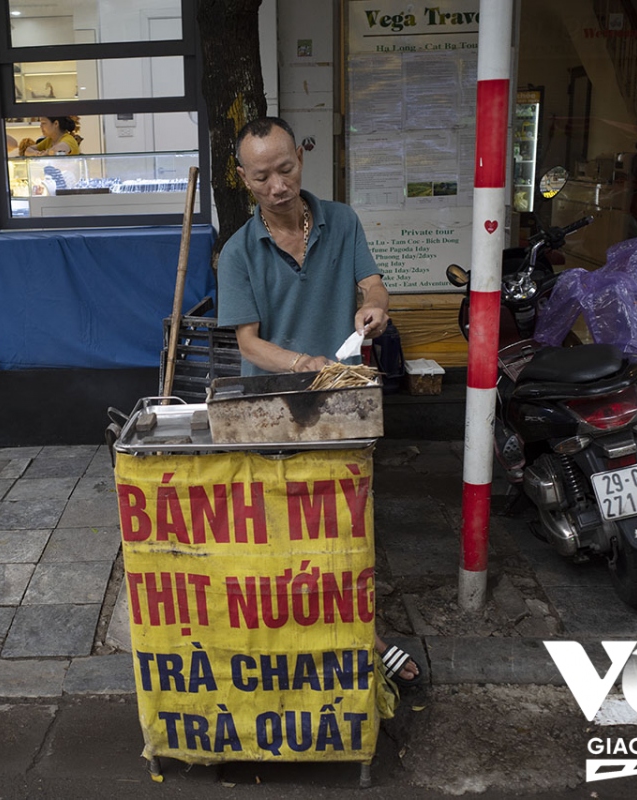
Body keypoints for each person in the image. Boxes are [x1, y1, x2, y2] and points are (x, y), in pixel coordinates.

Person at [216, 116, 419, 688]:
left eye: (286, 169)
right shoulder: (237, 254)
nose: (278, 185)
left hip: (342, 405)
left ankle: (359, 635)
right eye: (263, 176)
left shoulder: (342, 220)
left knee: (346, 524)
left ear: (299, 160)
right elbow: (250, 342)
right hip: (274, 408)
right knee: (287, 528)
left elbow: (372, 283)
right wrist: (309, 365)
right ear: (243, 179)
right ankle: (331, 640)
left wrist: (376, 307)